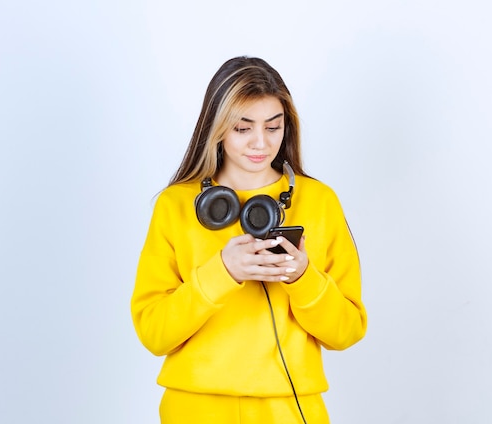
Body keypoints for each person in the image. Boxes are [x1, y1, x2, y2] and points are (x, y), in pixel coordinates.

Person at [130, 56, 367, 424]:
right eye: (243, 129)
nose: (261, 142)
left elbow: (347, 331)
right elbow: (153, 333)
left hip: (288, 408)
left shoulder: (319, 201)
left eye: (274, 127)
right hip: (195, 408)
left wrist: (303, 279)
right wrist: (221, 272)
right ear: (217, 129)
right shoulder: (175, 205)